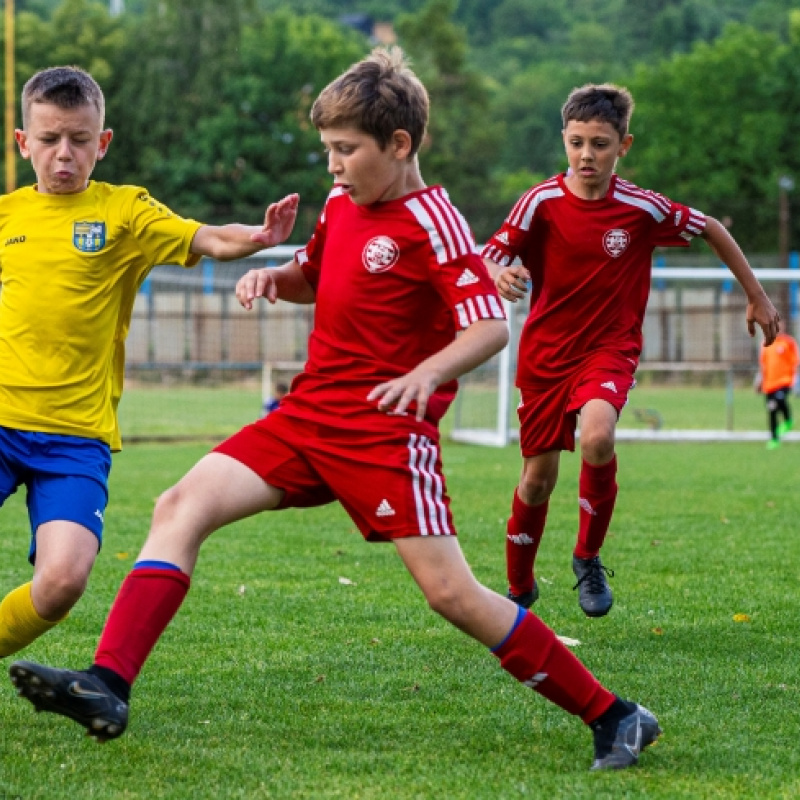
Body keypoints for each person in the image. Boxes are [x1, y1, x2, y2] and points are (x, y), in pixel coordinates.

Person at [10, 50, 660, 771]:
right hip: (306, 417)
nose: (333, 167)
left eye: (345, 150)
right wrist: (269, 275)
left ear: (400, 145)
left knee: (451, 593)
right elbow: (313, 276)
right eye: (328, 150)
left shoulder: (432, 220)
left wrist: (429, 372)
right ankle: (108, 685)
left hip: (383, 435)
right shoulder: (346, 206)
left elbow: (489, 325)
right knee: (179, 506)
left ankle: (616, 715)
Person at [0, 66, 298, 660]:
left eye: (80, 140)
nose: (65, 154)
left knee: (62, 583)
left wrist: (258, 237)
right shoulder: (7, 217)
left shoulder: (124, 211)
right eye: (50, 139)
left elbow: (207, 238)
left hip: (77, 437)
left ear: (102, 143)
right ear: (22, 142)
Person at [482, 83, 780, 617]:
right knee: (537, 480)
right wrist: (498, 269)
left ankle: (587, 557)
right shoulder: (541, 201)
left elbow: (710, 227)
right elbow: (490, 253)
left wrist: (756, 296)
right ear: (564, 140)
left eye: (599, 143)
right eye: (576, 143)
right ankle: (519, 587)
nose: (586, 155)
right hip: (546, 356)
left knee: (598, 435)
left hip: (609, 349)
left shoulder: (641, 208)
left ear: (624, 145)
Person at [755, 320, 799, 449]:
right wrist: (759, 381)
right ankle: (774, 439)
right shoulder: (765, 343)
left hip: (784, 381)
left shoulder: (788, 342)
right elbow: (762, 365)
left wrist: (796, 382)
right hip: (769, 383)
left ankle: (788, 419)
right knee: (772, 410)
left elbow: (795, 363)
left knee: (780, 399)